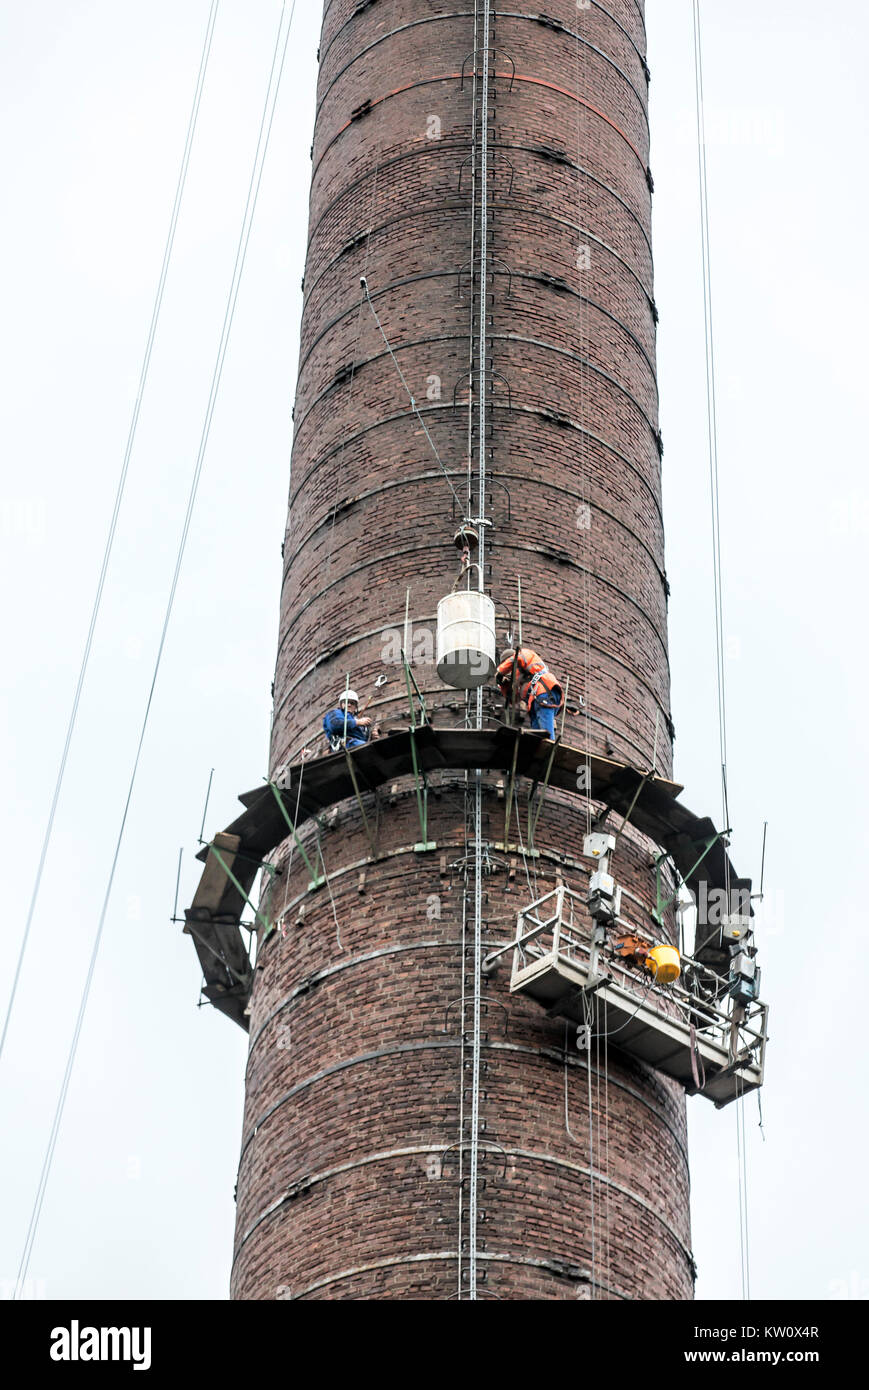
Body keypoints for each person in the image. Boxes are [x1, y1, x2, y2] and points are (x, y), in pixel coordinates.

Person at [496, 646, 564, 738]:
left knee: (546, 731)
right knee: (537, 734)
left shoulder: (525, 654)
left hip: (544, 692)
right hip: (536, 701)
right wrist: (504, 684)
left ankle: (549, 746)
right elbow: (513, 698)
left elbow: (517, 659)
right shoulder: (518, 677)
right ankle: (543, 747)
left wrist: (500, 671)